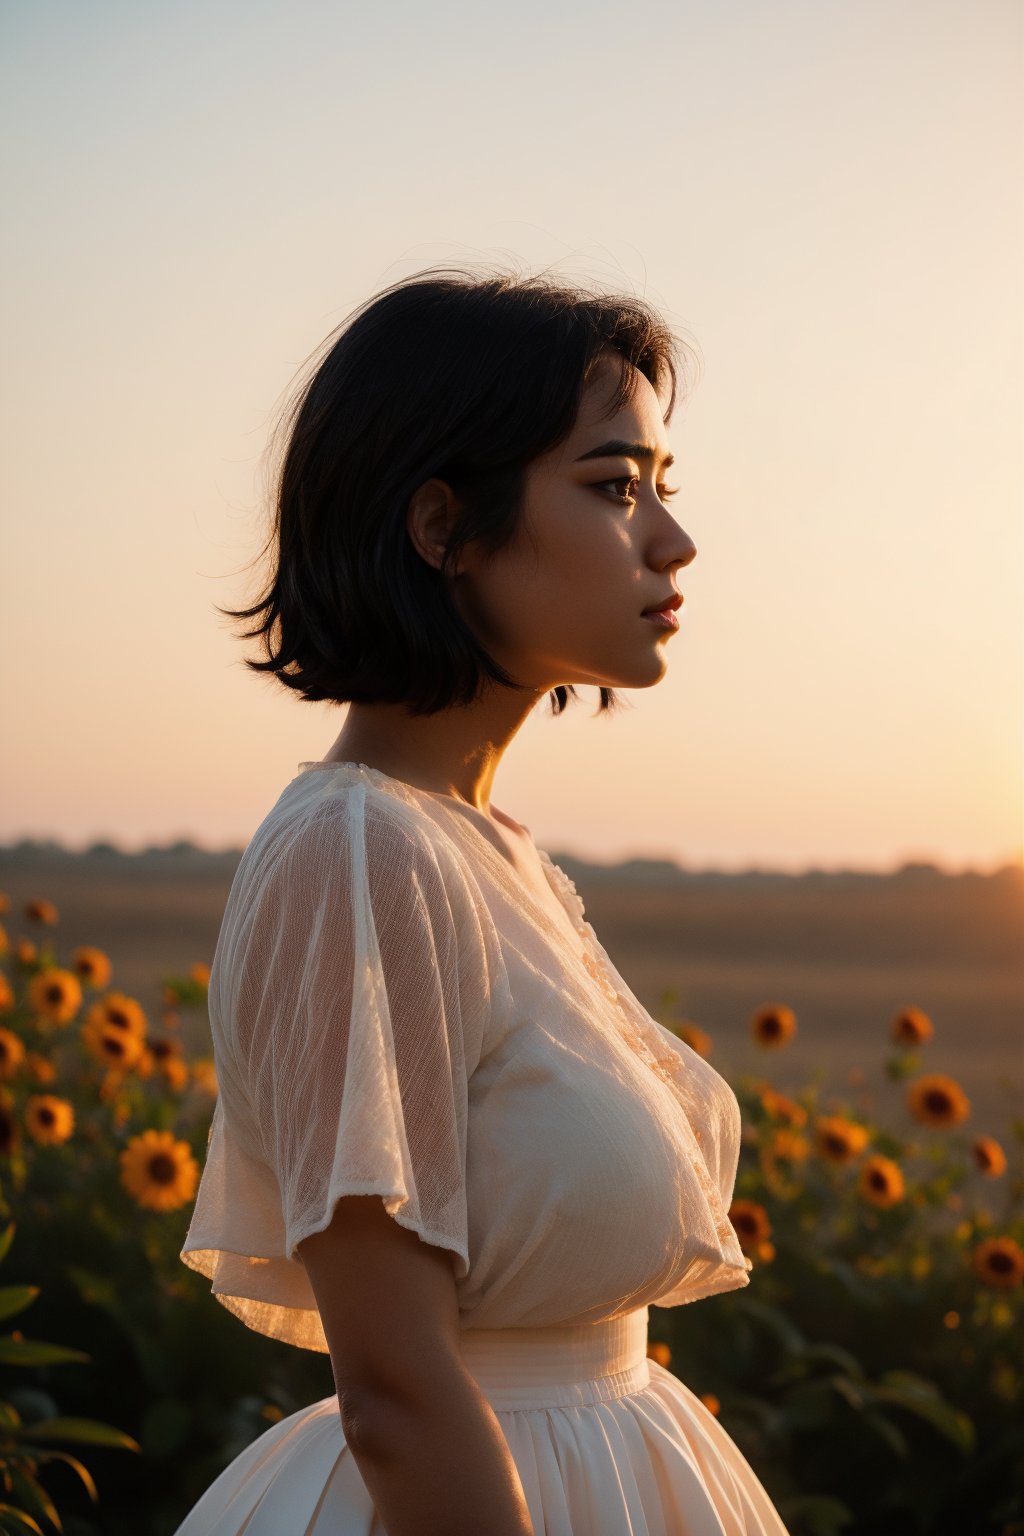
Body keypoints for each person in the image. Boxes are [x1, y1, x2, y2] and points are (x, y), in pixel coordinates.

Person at [173, 265, 793, 1535]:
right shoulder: (357, 851)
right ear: (441, 525)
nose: (671, 539)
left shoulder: (481, 850)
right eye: (614, 487)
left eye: (663, 488)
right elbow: (394, 1391)